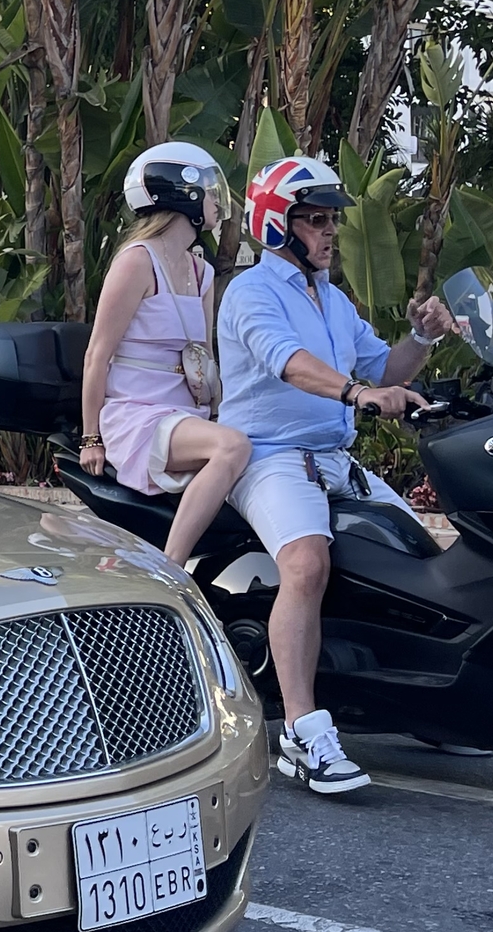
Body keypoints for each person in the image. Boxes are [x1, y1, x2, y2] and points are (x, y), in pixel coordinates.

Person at [217, 155, 462, 797]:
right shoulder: (252, 292)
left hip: (332, 458)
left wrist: (423, 337)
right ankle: (300, 728)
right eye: (317, 220)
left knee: (421, 555)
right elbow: (287, 363)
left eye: (332, 220)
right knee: (305, 566)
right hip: (268, 456)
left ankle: (423, 698)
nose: (330, 231)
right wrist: (354, 393)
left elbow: (386, 369)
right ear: (278, 225)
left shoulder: (331, 298)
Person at [78, 142, 252, 567]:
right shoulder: (136, 262)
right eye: (210, 191)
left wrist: (219, 411)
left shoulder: (202, 271)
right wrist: (91, 438)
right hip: (138, 416)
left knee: (253, 445)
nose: (217, 201)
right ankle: (170, 566)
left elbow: (205, 359)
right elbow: (97, 355)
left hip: (185, 415)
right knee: (232, 447)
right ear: (183, 193)